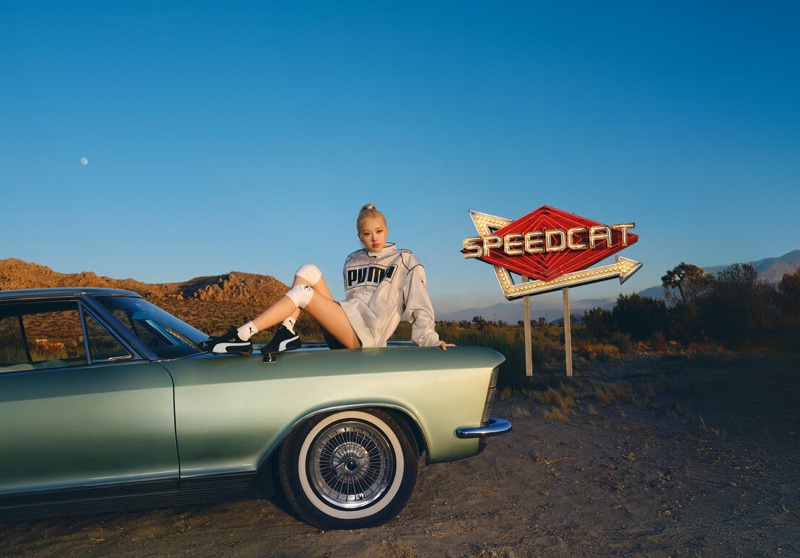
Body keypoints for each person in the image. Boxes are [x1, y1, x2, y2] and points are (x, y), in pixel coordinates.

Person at [200, 203, 452, 354]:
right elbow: (353, 301)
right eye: (367, 233)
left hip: (367, 337)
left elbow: (419, 304)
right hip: (346, 324)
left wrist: (430, 339)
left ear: (387, 230)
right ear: (359, 236)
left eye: (379, 231)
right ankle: (286, 331)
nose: (374, 238)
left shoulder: (404, 260)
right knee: (308, 270)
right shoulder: (352, 260)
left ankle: (242, 335)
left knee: (302, 295)